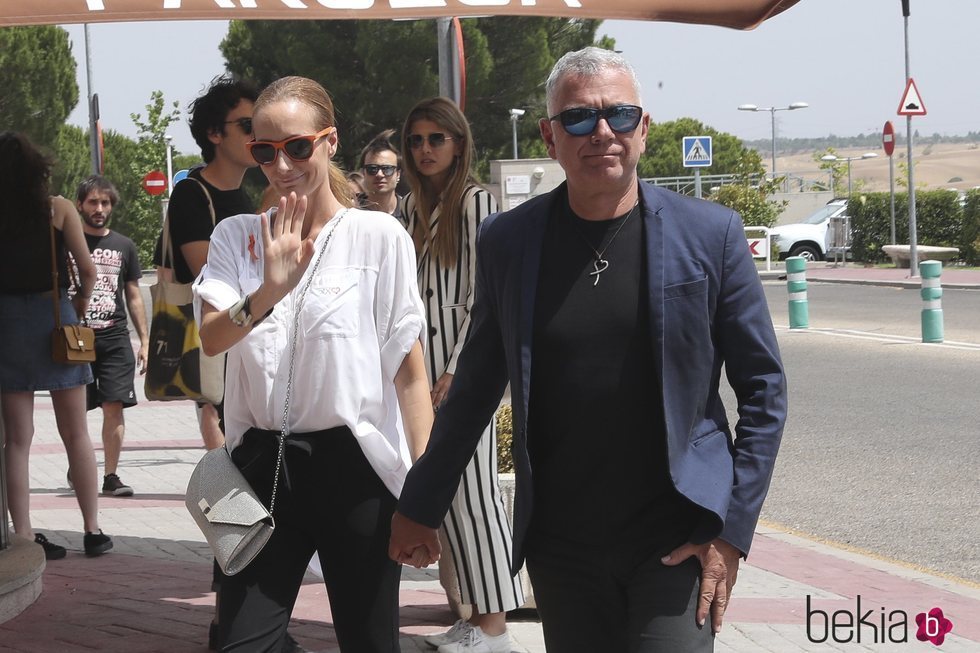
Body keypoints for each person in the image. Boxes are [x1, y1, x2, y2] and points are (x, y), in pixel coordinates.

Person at [390, 47, 787, 653]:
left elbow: (764, 390)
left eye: (619, 115)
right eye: (578, 118)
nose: (601, 132)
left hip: (676, 537)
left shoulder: (712, 235)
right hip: (562, 545)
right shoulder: (510, 241)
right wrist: (419, 503)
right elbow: (473, 387)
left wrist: (731, 532)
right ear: (550, 137)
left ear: (643, 129)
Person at [194, 75, 433, 653]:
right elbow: (210, 338)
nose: (281, 165)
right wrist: (268, 292)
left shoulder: (378, 236)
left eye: (297, 146)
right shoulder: (236, 237)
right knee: (240, 643)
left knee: (370, 641)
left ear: (329, 142)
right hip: (256, 465)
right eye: (264, 151)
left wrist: (426, 495)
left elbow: (410, 372)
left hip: (354, 467)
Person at [400, 97, 523, 653]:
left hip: (460, 367)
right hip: (416, 367)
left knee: (473, 496)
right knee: (445, 497)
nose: (425, 149)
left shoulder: (477, 204)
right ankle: (476, 618)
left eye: (436, 139)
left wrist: (456, 369)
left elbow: (482, 295)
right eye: (417, 140)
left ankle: (495, 626)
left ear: (458, 143)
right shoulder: (408, 207)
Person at [0, 131, 113, 560]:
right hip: (56, 319)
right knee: (77, 433)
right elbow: (87, 270)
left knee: (17, 439)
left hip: (7, 325)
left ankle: (24, 533)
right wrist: (78, 307)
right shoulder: (58, 208)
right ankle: (92, 529)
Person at [154, 74, 258, 452]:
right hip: (218, 343)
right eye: (248, 125)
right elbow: (209, 275)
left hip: (250, 343)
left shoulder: (247, 196)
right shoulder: (191, 194)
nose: (257, 135)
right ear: (215, 133)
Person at [74, 175, 148, 497]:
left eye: (105, 202)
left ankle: (111, 475)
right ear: (80, 205)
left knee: (113, 406)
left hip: (116, 338)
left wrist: (144, 340)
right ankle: (78, 463)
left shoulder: (124, 245)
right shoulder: (67, 244)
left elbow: (133, 295)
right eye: (93, 202)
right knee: (75, 410)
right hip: (76, 339)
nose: (100, 208)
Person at [359, 129, 406, 227]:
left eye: (387, 169)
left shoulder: (409, 213)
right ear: (363, 173)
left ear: (398, 174)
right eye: (372, 169)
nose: (379, 174)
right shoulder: (350, 212)